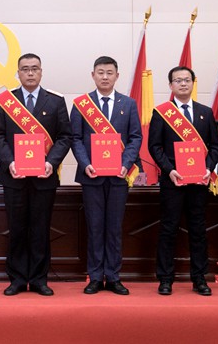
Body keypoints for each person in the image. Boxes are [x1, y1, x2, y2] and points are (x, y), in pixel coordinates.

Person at [0, 53, 71, 296]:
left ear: (41, 72)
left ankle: (38, 279)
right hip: (14, 177)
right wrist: (10, 162)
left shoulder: (55, 101)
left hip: (44, 177)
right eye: (25, 69)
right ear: (18, 73)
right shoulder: (6, 101)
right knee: (16, 229)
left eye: (35, 68)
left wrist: (51, 162)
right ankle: (16, 279)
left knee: (40, 229)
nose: (30, 73)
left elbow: (65, 136)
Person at [70, 56, 142, 295]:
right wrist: (85, 163)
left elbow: (135, 138)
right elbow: (75, 138)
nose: (104, 77)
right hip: (91, 176)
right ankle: (94, 276)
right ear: (93, 75)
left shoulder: (128, 104)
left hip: (118, 177)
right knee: (94, 227)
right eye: (100, 72)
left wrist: (126, 164)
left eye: (109, 73)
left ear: (117, 76)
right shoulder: (82, 104)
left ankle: (113, 276)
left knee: (114, 228)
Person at [148, 66, 218, 296]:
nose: (182, 84)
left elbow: (215, 146)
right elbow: (154, 147)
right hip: (173, 181)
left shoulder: (205, 112)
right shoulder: (162, 113)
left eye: (187, 80)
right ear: (170, 85)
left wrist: (208, 168)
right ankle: (165, 278)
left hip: (199, 182)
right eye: (178, 80)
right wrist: (169, 170)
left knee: (198, 230)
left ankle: (199, 278)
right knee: (168, 229)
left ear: (193, 83)